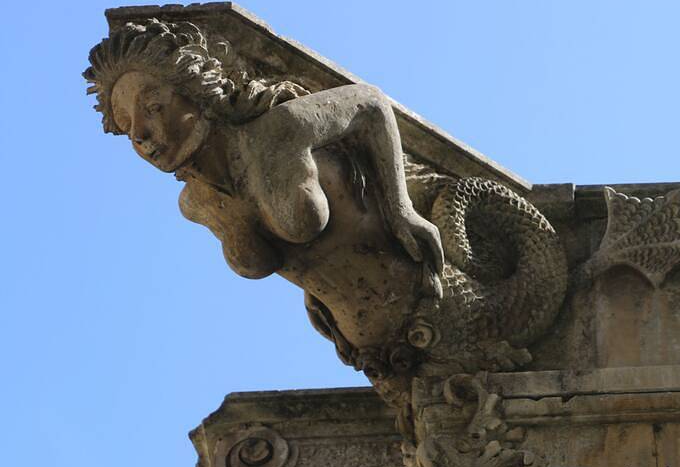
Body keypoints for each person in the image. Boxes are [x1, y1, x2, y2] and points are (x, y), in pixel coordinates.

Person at [85, 19, 443, 350]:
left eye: (152, 107)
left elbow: (371, 104)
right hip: (369, 351)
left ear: (194, 92)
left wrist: (402, 210)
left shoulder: (280, 129)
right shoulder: (194, 203)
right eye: (125, 125)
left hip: (433, 300)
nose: (139, 134)